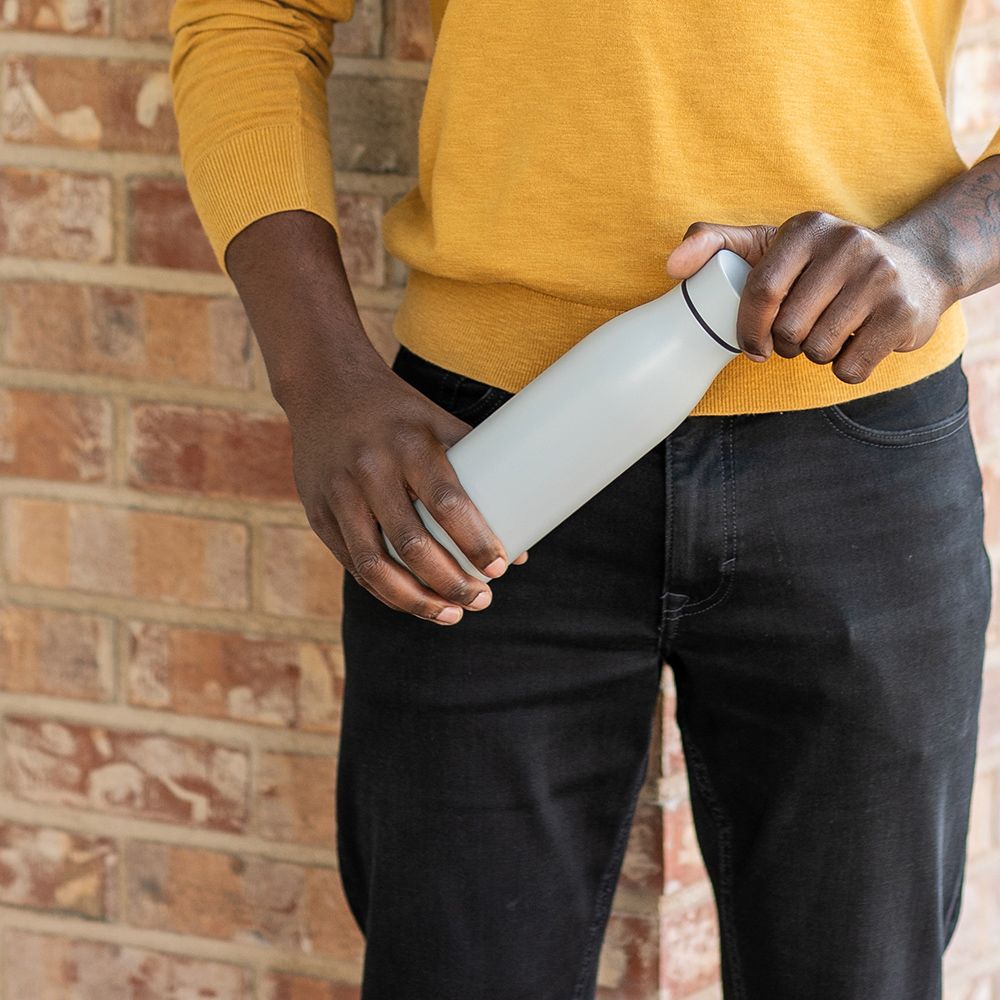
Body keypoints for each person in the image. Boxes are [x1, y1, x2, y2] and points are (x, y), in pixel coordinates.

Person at [167, 1, 999, 997]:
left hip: (858, 452)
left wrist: (939, 251)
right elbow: (252, 17)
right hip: (480, 459)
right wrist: (321, 379)